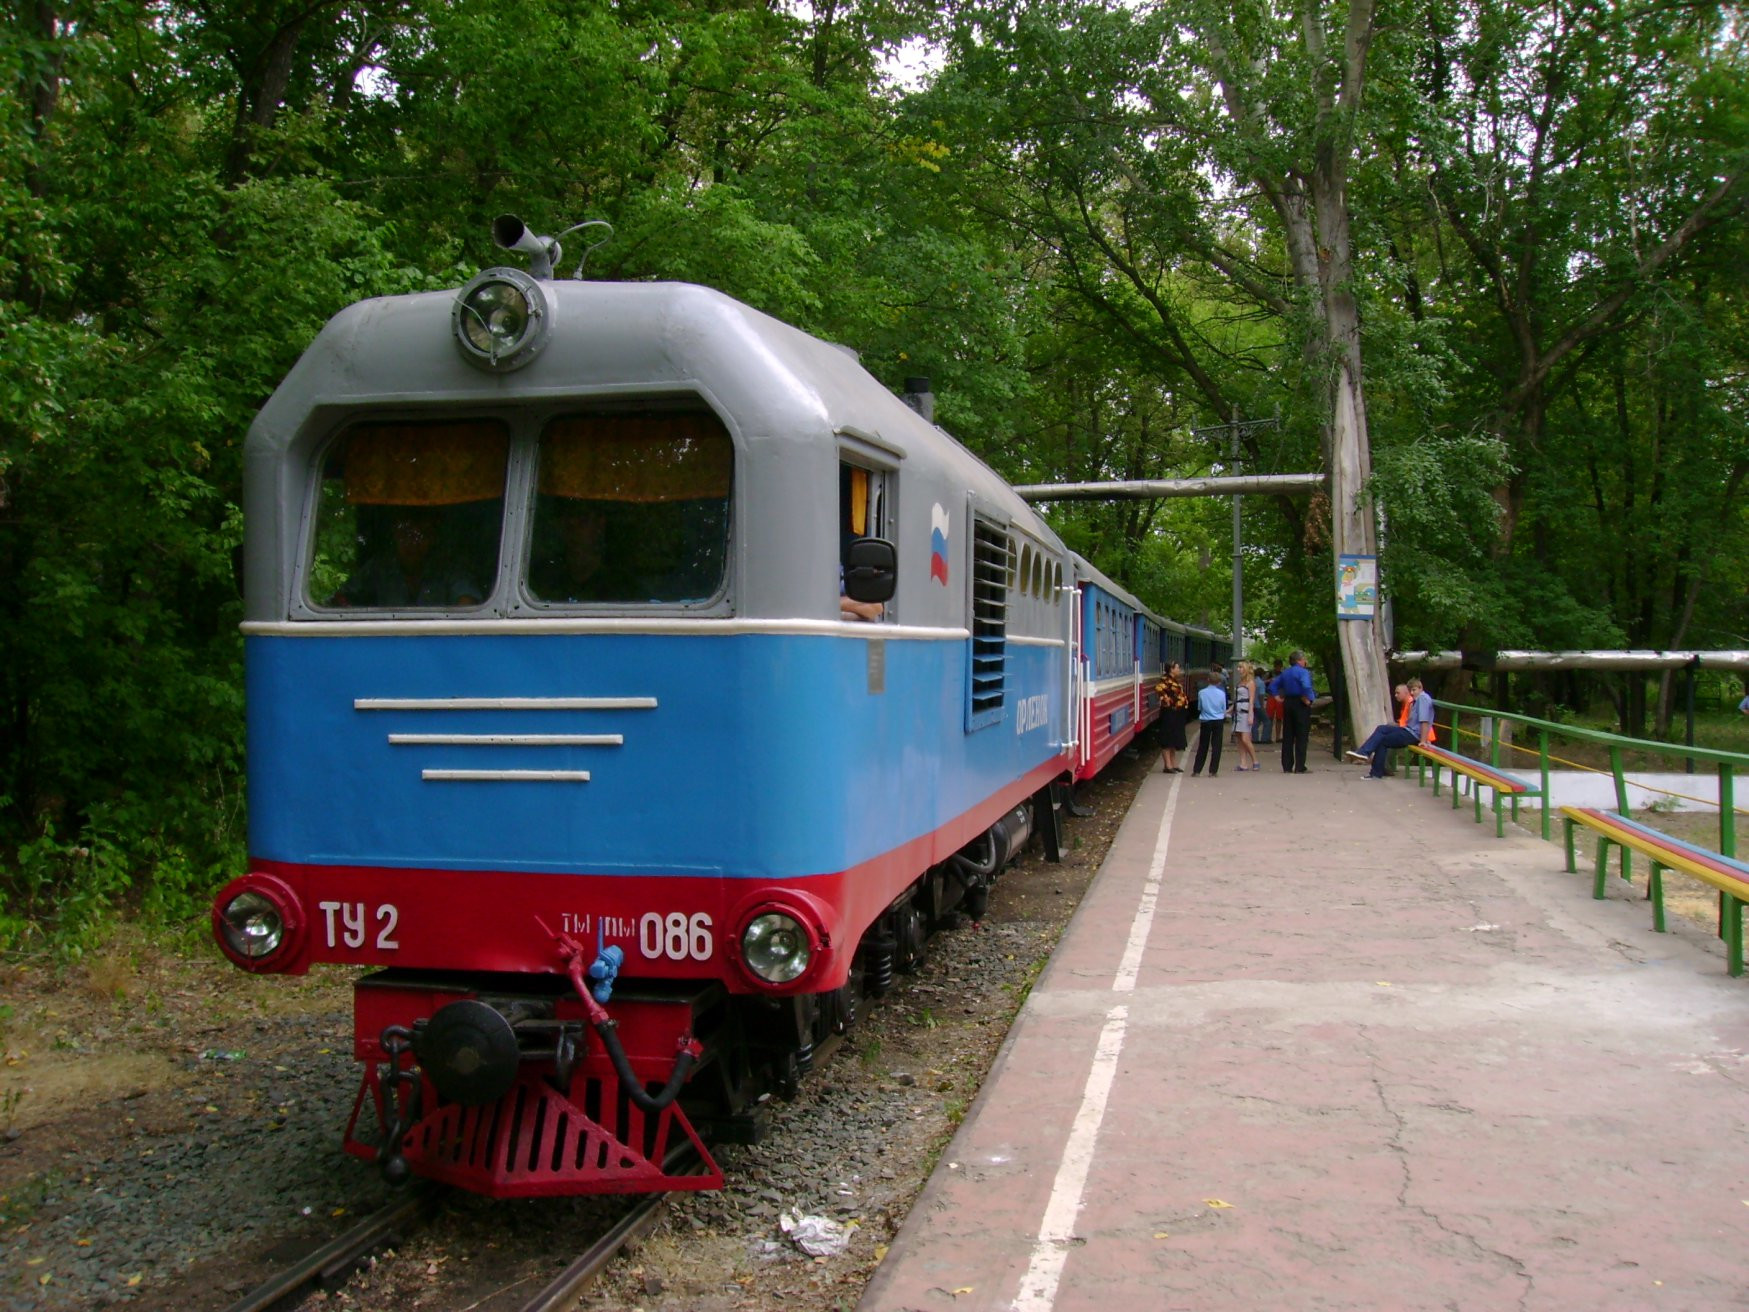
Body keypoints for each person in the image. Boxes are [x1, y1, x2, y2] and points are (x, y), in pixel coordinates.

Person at [331, 508, 481, 608]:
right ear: (395, 537)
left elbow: (467, 605)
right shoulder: (380, 567)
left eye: (420, 536)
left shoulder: (448, 569)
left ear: (432, 539)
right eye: (404, 536)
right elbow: (340, 598)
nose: (412, 544)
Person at [1347, 677, 1435, 778]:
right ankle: (1363, 753)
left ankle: (1375, 772)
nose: (1412, 693)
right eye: (1410, 690)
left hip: (1413, 734)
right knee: (1381, 729)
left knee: (1383, 741)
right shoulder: (1418, 699)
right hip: (1408, 730)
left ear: (1420, 688)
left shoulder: (1423, 699)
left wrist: (1423, 741)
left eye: (1414, 690)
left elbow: (1424, 721)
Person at [1271, 651, 1315, 773]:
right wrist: (1309, 698)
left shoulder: (1285, 672)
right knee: (1301, 735)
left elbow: (1273, 685)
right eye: (1304, 659)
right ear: (1299, 660)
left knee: (1288, 734)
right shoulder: (1303, 672)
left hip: (1288, 702)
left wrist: (1276, 696)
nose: (1305, 661)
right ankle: (1300, 766)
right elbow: (1306, 685)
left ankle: (1287, 765)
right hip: (1301, 702)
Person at [1192, 664, 1228, 776]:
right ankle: (1213, 771)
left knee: (1203, 745)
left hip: (1206, 721)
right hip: (1218, 721)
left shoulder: (1202, 693)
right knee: (1216, 746)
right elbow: (1223, 708)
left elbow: (1200, 708)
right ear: (1219, 682)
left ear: (1208, 680)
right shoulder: (1222, 694)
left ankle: (1197, 770)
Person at [1155, 661, 1191, 773]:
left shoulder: (1174, 680)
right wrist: (1171, 701)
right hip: (1169, 713)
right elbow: (1160, 690)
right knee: (1167, 738)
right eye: (1177, 667)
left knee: (1174, 738)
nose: (1179, 669)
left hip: (1177, 714)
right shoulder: (1165, 681)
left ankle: (1173, 763)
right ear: (1171, 669)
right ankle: (1168, 765)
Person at [1231, 661, 1258, 771]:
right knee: (1239, 738)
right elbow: (1236, 699)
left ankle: (1255, 760)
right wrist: (1230, 710)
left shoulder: (1250, 683)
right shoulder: (1239, 683)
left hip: (1245, 712)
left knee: (1245, 738)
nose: (1238, 669)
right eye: (1238, 667)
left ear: (1246, 669)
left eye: (1241, 667)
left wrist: (1251, 714)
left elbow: (1251, 700)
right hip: (1237, 712)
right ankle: (1243, 763)